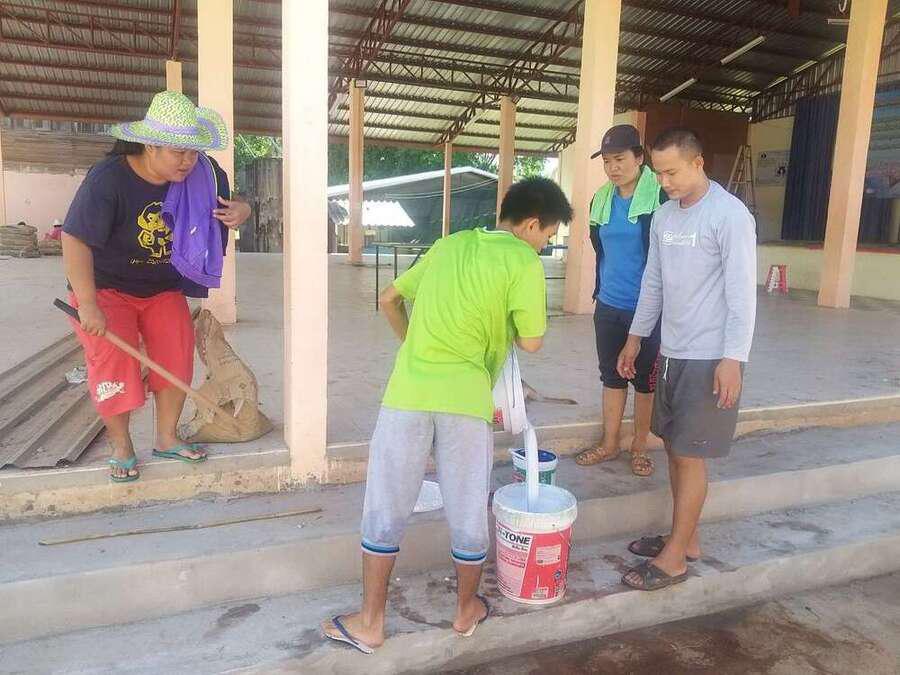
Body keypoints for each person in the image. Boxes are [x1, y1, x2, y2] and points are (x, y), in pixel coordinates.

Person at [322, 178, 573, 653]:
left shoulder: (448, 244)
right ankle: (465, 610)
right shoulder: (523, 261)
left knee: (385, 505)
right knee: (467, 505)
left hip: (408, 390)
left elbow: (389, 299)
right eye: (547, 235)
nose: (545, 245)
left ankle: (371, 623)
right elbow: (531, 342)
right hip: (466, 397)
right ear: (532, 224)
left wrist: (416, 346)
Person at [61, 91, 251, 483]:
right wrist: (88, 303)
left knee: (176, 358)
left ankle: (166, 438)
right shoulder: (109, 178)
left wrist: (242, 210)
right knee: (114, 363)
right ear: (150, 145)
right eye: (178, 151)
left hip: (163, 287)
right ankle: (121, 445)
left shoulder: (203, 174)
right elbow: (74, 238)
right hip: (105, 286)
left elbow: (233, 203)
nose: (188, 161)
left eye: (193, 151)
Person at [618, 128, 756, 591]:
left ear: (698, 163)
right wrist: (636, 339)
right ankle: (686, 539)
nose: (665, 182)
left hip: (711, 357)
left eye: (672, 172)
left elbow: (742, 295)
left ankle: (675, 558)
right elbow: (653, 283)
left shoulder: (729, 216)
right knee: (675, 450)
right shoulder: (663, 217)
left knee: (690, 456)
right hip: (673, 352)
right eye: (658, 174)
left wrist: (733, 358)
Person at [574, 124, 664, 477]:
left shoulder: (660, 197)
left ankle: (640, 447)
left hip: (648, 307)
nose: (613, 168)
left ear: (639, 158)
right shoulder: (601, 198)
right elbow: (602, 250)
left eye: (620, 159)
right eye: (607, 161)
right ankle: (610, 443)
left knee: (644, 380)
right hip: (609, 304)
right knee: (611, 376)